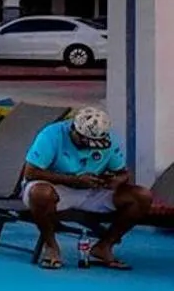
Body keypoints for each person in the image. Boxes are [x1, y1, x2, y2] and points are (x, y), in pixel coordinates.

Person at [22, 106, 150, 270]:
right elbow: (31, 172)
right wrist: (73, 180)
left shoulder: (109, 139)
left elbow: (123, 173)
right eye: (85, 142)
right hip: (56, 186)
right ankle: (51, 246)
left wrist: (114, 182)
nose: (89, 147)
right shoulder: (52, 135)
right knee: (40, 194)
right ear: (74, 131)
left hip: (91, 189)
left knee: (142, 196)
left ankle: (104, 246)